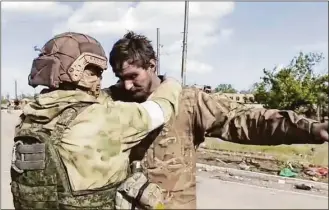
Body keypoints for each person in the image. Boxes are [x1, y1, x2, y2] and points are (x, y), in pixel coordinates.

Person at [99, 31, 329, 209]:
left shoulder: (188, 102)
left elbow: (244, 120)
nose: (127, 85)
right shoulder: (111, 102)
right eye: (121, 78)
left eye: (133, 76)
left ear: (152, 65)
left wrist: (310, 129)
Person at [10, 32, 182, 209]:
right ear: (80, 73)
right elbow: (161, 108)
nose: (99, 79)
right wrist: (171, 83)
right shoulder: (106, 118)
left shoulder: (30, 117)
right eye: (96, 72)